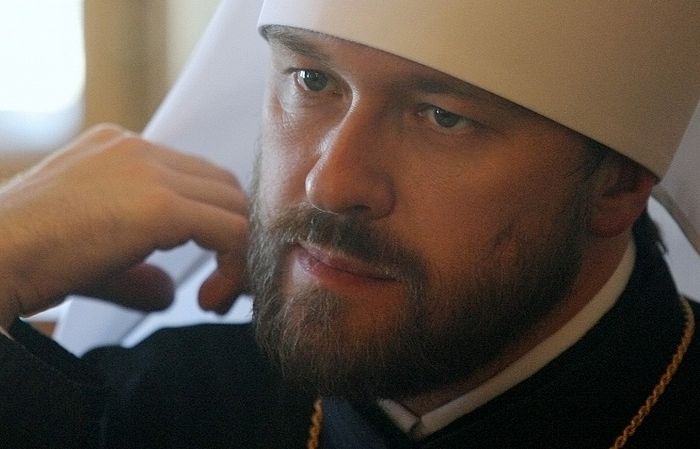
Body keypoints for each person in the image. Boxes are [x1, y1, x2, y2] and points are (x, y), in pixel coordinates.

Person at [1, 0, 699, 448]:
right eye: (311, 80)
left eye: (444, 117)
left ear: (618, 183)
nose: (330, 185)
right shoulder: (161, 409)